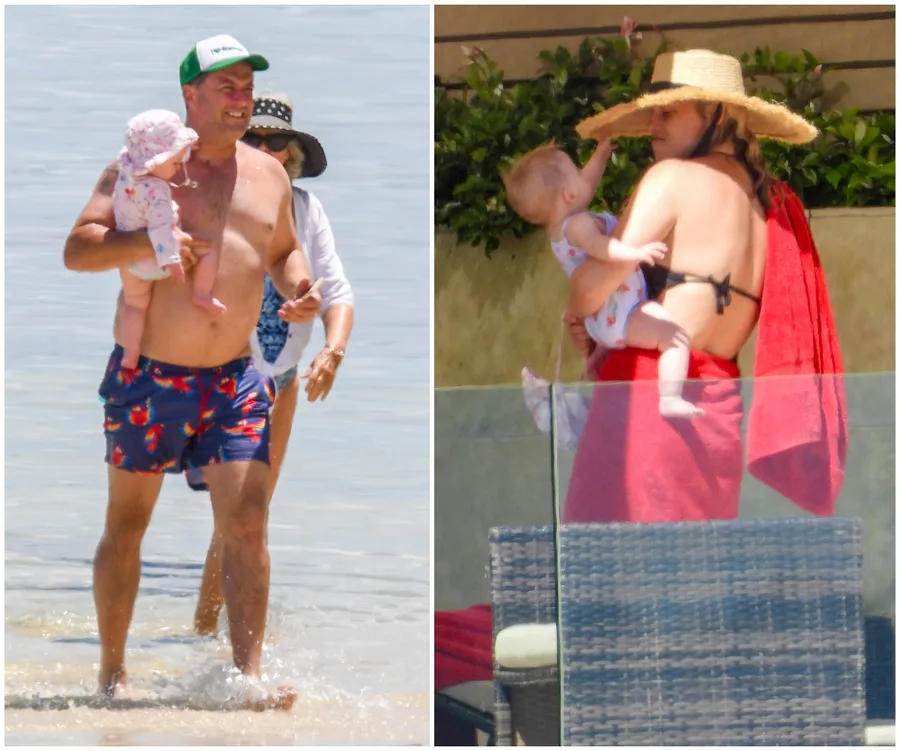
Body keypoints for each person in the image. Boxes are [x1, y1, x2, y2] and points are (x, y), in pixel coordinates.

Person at [62, 33, 322, 710]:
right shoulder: (140, 170)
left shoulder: (269, 176)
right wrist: (148, 240)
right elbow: (78, 249)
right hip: (150, 378)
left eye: (247, 87)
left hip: (234, 380)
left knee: (248, 521)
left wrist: (300, 287)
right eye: (226, 87)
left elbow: (283, 252)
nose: (242, 99)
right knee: (127, 526)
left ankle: (246, 677)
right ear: (191, 95)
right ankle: (112, 676)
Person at [562, 49, 848, 524]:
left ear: (715, 112)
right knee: (696, 566)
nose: (653, 124)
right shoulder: (768, 204)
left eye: (668, 111)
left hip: (648, 402)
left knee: (612, 567)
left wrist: (581, 300)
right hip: (717, 410)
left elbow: (590, 289)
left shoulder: (672, 178)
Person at [189, 91, 355, 636]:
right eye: (252, 137)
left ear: (291, 153)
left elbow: (337, 294)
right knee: (237, 516)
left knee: (247, 516)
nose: (264, 147)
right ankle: (216, 644)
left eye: (275, 139)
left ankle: (209, 639)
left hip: (281, 383)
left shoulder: (307, 210)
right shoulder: (211, 199)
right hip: (222, 377)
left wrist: (333, 349)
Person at [502, 138, 704, 418]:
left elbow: (585, 186)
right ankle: (670, 397)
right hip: (621, 310)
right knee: (673, 336)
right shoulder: (580, 226)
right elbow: (602, 248)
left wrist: (601, 155)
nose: (586, 173)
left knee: (617, 354)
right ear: (569, 195)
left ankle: (594, 367)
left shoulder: (561, 229)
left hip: (605, 316)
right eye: (578, 170)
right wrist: (635, 252)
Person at [114, 109, 228, 369]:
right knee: (208, 251)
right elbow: (161, 228)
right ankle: (202, 294)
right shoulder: (156, 191)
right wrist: (173, 261)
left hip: (128, 258)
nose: (180, 166)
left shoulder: (125, 176)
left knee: (135, 305)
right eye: (176, 162)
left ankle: (130, 355)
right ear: (156, 161)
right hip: (156, 259)